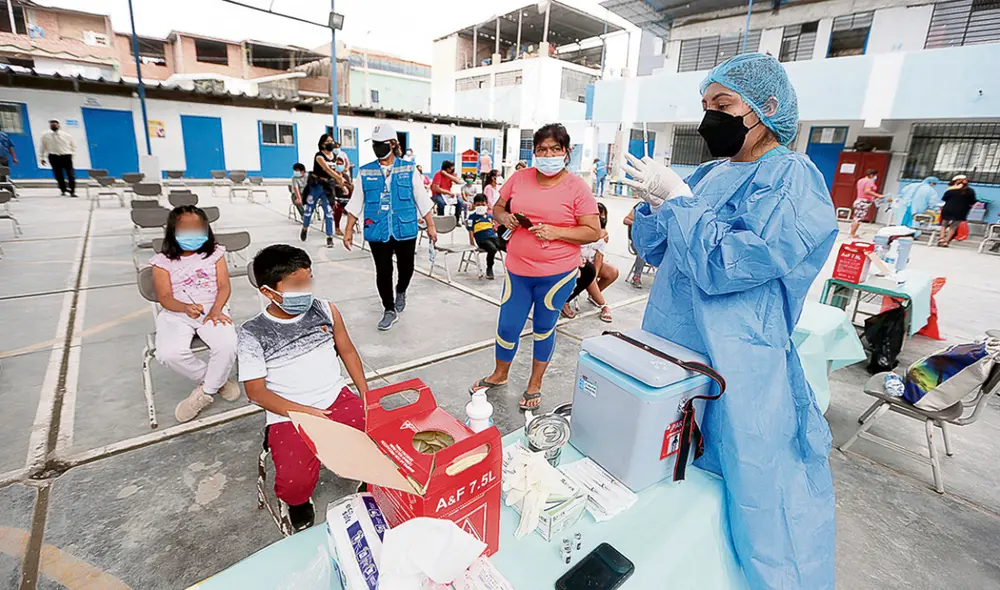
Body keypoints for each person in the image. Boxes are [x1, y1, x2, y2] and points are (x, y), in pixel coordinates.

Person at [622, 53, 837, 589]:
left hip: (740, 357)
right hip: (671, 346)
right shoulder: (710, 174)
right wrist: (653, 207)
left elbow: (729, 265)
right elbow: (655, 251)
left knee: (750, 491)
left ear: (768, 107)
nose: (710, 116)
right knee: (666, 467)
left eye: (723, 103)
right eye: (705, 105)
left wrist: (681, 200)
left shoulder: (794, 179)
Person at [237, 244, 369, 532]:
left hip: (335, 397)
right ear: (268, 292)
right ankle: (298, 502)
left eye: (308, 280)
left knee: (378, 443)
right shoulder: (252, 333)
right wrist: (304, 412)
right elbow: (256, 392)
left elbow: (347, 350)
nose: (306, 290)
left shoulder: (326, 309)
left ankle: (367, 480)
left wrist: (365, 393)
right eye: (296, 285)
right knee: (293, 482)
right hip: (288, 411)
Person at [470, 123, 600, 410]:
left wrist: (557, 232)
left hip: (556, 274)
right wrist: (504, 218)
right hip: (518, 271)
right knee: (508, 325)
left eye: (555, 149)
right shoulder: (519, 178)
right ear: (534, 152)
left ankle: (534, 384)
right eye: (542, 149)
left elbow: (593, 231)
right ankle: (500, 374)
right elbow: (498, 207)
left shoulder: (577, 187)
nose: (548, 155)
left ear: (566, 152)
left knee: (544, 328)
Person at [343, 122, 438, 331]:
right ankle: (389, 309)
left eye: (381, 143)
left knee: (407, 268)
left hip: (404, 228)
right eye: (374, 144)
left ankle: (401, 290)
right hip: (377, 229)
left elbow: (421, 199)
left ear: (393, 144)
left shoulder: (408, 168)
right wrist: (348, 230)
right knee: (383, 271)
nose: (377, 147)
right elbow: (356, 201)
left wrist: (431, 225)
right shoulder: (365, 171)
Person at [150, 206, 239, 423]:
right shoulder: (161, 262)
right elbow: (165, 297)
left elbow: (224, 286)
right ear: (173, 230)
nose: (193, 233)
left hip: (212, 310)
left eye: (198, 228)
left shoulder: (215, 254)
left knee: (228, 345)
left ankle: (205, 393)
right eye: (186, 228)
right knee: (169, 353)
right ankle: (216, 382)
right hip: (177, 312)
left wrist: (216, 309)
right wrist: (184, 308)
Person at [563, 203, 618, 322]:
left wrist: (595, 274)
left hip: (592, 263)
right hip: (577, 262)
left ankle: (594, 295)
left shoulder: (604, 234)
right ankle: (603, 305)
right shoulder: (579, 229)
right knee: (589, 272)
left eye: (602, 215)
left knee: (612, 272)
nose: (601, 218)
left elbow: (599, 256)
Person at [300, 133, 343, 248]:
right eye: (328, 141)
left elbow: (336, 171)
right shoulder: (319, 156)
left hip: (327, 188)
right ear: (322, 144)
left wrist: (342, 185)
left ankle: (329, 237)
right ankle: (305, 227)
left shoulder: (334, 157)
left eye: (332, 141)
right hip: (316, 185)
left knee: (329, 212)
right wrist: (338, 178)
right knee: (309, 210)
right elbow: (326, 169)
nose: (331, 143)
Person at [466, 193, 505, 280]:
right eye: (478, 205)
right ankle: (489, 268)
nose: (481, 206)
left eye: (483, 204)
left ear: (487, 204)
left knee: (506, 246)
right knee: (492, 249)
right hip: (482, 240)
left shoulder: (490, 217)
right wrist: (472, 243)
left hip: (492, 237)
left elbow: (493, 228)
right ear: (474, 205)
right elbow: (471, 231)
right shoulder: (472, 217)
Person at [939, 175, 978, 247]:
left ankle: (941, 239)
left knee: (944, 224)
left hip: (948, 209)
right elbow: (972, 201)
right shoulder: (970, 191)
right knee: (954, 227)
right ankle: (946, 241)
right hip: (962, 211)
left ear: (956, 181)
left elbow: (944, 198)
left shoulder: (951, 189)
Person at [39, 119, 76, 197]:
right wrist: (42, 157)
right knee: (58, 175)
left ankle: (72, 191)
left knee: (70, 174)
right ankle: (63, 189)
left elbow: (73, 146)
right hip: (54, 156)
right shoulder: (45, 136)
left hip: (66, 155)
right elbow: (43, 147)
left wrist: (72, 155)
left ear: (58, 125)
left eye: (55, 125)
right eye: (51, 125)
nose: (53, 126)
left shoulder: (67, 135)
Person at [849, 168, 881, 238]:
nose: (876, 177)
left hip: (858, 200)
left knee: (856, 218)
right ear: (872, 175)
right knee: (858, 219)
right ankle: (852, 234)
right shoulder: (869, 181)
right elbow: (867, 191)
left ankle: (852, 233)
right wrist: (878, 195)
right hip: (864, 202)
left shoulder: (860, 180)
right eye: (875, 176)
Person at [623, 202, 645, 288]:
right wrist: (638, 225)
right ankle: (636, 276)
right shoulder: (641, 206)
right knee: (643, 251)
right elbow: (626, 220)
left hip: (652, 243)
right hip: (637, 242)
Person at [331, 154, 353, 237]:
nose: (338, 166)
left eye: (340, 164)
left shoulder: (346, 176)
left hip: (346, 199)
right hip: (336, 199)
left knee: (355, 209)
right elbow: (330, 189)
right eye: (337, 164)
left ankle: (350, 227)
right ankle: (337, 228)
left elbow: (350, 187)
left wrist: (346, 186)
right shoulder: (332, 176)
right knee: (338, 209)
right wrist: (340, 185)